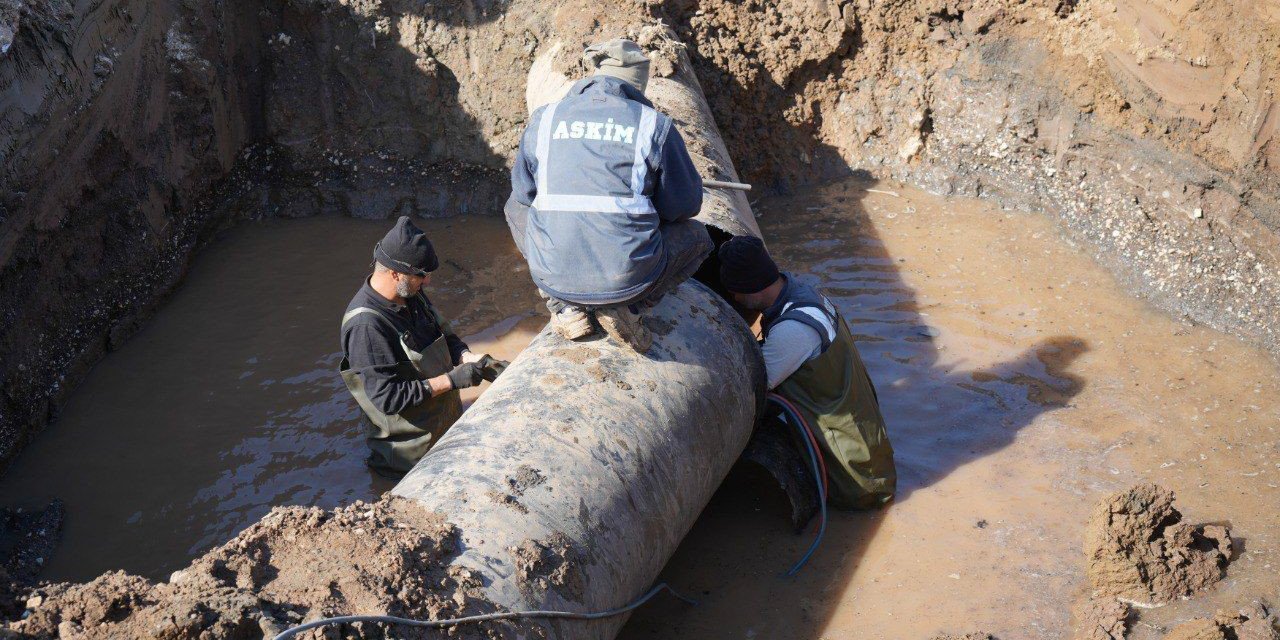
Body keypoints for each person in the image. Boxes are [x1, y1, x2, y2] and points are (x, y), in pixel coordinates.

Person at [504, 38, 712, 352]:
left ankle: (565, 308)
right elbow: (684, 207)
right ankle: (631, 309)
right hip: (627, 280)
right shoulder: (653, 125)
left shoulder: (545, 118)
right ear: (637, 86)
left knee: (514, 206)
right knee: (698, 238)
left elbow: (524, 192)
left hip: (553, 276)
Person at [719, 236, 896, 509]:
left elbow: (753, 390)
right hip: (864, 437)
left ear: (752, 287)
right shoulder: (802, 294)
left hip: (855, 478)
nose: (735, 298)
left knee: (854, 501)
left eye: (736, 292)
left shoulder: (792, 332)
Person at [339, 216, 508, 476]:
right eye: (421, 275)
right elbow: (387, 398)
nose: (427, 281)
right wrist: (451, 380)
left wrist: (468, 358)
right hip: (409, 458)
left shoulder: (411, 293)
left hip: (443, 430)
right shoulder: (366, 327)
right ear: (395, 273)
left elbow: (443, 335)